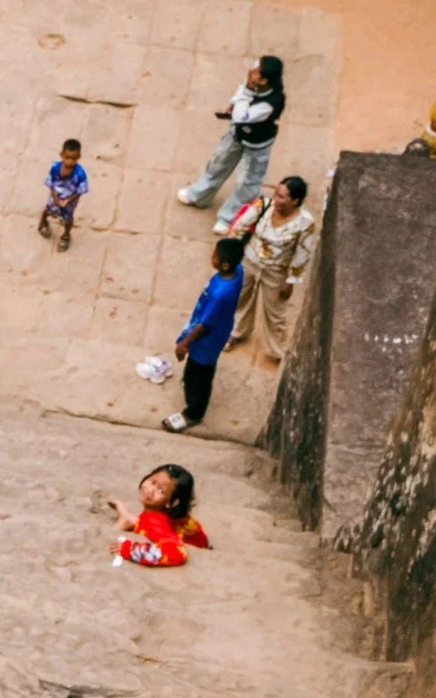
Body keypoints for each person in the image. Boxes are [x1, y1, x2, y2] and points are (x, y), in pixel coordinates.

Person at [221, 176, 316, 366]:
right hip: (250, 260)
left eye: (282, 197)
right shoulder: (262, 205)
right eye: (276, 193)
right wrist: (230, 257)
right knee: (240, 298)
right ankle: (237, 332)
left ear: (295, 201)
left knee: (275, 312)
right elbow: (240, 228)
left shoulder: (305, 223)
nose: (276, 199)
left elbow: (302, 253)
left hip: (277, 270)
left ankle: (277, 350)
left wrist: (290, 281)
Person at [178, 57, 285, 224]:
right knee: (217, 164)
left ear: (264, 80)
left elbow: (242, 116)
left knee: (247, 181)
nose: (251, 71)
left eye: (256, 70)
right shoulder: (253, 84)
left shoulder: (271, 102)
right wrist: (234, 102)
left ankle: (229, 217)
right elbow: (240, 93)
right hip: (236, 135)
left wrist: (247, 92)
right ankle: (199, 196)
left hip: (257, 145)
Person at [163, 237, 244, 432]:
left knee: (200, 374)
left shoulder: (220, 294)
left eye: (215, 256)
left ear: (224, 265)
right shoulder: (238, 270)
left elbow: (203, 326)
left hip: (207, 340)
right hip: (218, 329)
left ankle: (194, 412)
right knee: (197, 370)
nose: (212, 257)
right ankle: (191, 383)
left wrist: (184, 344)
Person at [108, 464, 210, 567]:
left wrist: (130, 549)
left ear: (171, 503)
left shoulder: (154, 521)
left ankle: (127, 520)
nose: (150, 490)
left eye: (160, 491)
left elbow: (177, 553)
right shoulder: (159, 514)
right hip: (182, 534)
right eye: (152, 482)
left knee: (146, 524)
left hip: (200, 551)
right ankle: (129, 519)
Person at [39, 140, 89, 251]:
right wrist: (55, 197)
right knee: (48, 209)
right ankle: (43, 221)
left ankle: (66, 235)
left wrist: (68, 200)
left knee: (68, 219)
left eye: (74, 159)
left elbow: (80, 191)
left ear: (79, 157)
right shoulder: (55, 167)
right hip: (55, 197)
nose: (70, 161)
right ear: (61, 155)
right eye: (67, 158)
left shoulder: (80, 174)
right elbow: (50, 183)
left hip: (69, 202)